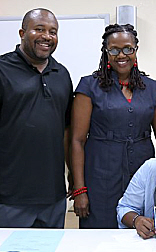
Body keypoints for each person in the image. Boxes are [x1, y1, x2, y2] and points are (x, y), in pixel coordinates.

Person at [71, 24, 156, 228]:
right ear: (106, 52)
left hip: (141, 170)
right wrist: (80, 190)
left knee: (142, 230)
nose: (121, 55)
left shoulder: (152, 88)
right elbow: (77, 140)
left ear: (136, 50)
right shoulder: (89, 86)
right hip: (100, 173)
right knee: (99, 233)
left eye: (128, 48)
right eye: (114, 50)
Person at [0, 8, 73, 228]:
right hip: (9, 198)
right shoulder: (2, 69)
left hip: (53, 197)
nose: (47, 37)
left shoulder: (61, 74)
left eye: (53, 31)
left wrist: (74, 178)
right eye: (39, 29)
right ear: (22, 33)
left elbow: (67, 131)